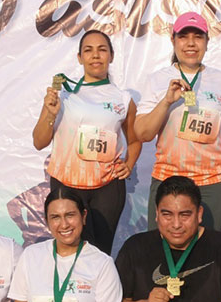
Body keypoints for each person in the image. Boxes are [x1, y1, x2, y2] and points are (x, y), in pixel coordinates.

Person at [33, 29, 142, 254]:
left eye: (102, 50)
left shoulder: (123, 99)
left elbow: (135, 140)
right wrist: (50, 114)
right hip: (67, 184)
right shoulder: (62, 95)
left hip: (108, 187)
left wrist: (129, 164)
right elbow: (39, 142)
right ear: (79, 57)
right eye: (88, 50)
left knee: (99, 252)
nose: (95, 55)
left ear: (111, 56)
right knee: (69, 249)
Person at [134, 12, 221, 232]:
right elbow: (142, 134)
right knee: (161, 246)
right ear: (173, 40)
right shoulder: (157, 79)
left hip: (214, 183)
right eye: (183, 36)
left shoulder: (220, 80)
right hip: (169, 180)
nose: (191, 43)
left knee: (206, 246)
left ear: (207, 41)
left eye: (198, 37)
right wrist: (166, 102)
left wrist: (220, 159)